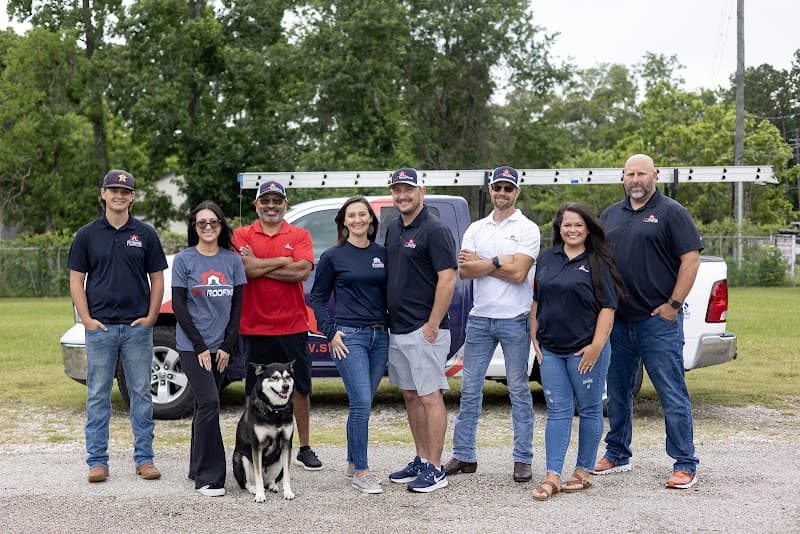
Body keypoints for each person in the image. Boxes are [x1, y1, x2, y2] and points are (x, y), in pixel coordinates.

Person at [594, 153, 703, 490]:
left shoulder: (672, 212)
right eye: (630, 174)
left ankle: (685, 463)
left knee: (671, 392)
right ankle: (617, 453)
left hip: (658, 321)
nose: (636, 180)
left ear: (655, 175)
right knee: (618, 392)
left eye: (642, 173)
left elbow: (691, 259)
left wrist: (673, 305)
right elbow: (597, 262)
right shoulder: (610, 215)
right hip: (619, 322)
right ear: (622, 178)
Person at [68, 169, 168, 483]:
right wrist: (86, 319)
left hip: (138, 328)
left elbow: (157, 278)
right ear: (103, 194)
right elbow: (75, 279)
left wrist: (152, 316)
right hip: (101, 329)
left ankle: (145, 459)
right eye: (114, 191)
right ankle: (97, 462)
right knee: (98, 395)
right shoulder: (87, 235)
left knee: (141, 393)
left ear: (132, 197)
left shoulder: (146, 234)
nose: (119, 196)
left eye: (125, 192)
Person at [445, 166, 539, 483]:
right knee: (469, 391)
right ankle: (464, 455)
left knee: (518, 389)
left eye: (508, 188)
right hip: (479, 318)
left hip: (515, 318)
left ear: (517, 193)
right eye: (497, 187)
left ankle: (522, 459)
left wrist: (487, 263)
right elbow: (467, 272)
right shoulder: (476, 228)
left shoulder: (528, 228)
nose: (502, 193)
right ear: (490, 190)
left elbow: (519, 274)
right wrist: (501, 260)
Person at [529, 202, 625, 501]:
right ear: (559, 228)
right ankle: (552, 475)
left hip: (585, 350)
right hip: (551, 349)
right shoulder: (547, 259)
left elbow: (608, 308)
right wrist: (533, 333)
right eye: (566, 224)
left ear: (587, 229)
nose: (571, 229)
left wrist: (596, 346)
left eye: (578, 225)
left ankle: (582, 471)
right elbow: (537, 299)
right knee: (557, 410)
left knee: (590, 409)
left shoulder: (598, 261)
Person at [232, 180, 322, 471]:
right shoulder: (242, 234)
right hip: (254, 325)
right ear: (257, 204)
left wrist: (260, 264)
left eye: (277, 201)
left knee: (298, 389)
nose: (271, 206)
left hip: (292, 325)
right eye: (265, 200)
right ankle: (250, 443)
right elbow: (243, 270)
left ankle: (304, 447)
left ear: (285, 204)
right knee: (252, 389)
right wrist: (282, 260)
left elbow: (302, 270)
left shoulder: (299, 233)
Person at [384, 167, 458, 493]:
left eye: (408, 190)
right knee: (411, 396)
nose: (403, 196)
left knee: (430, 397)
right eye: (397, 190)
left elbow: (448, 278)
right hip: (398, 329)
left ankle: (436, 468)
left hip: (425, 330)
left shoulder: (435, 229)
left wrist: (432, 323)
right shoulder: (392, 228)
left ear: (421, 192)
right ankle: (421, 458)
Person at [309, 196, 389, 494]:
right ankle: (363, 471)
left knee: (363, 403)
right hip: (348, 337)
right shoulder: (333, 256)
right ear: (344, 221)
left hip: (380, 336)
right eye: (351, 215)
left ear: (371, 219)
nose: (358, 220)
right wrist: (330, 332)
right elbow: (317, 298)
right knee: (360, 402)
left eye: (363, 215)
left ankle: (353, 464)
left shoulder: (382, 253)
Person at [172, 201, 246, 497]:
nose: (207, 227)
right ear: (194, 227)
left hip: (222, 348)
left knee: (205, 406)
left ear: (220, 225)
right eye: (201, 222)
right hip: (192, 347)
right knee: (211, 403)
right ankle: (209, 476)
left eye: (212, 222)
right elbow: (179, 306)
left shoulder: (232, 261)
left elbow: (237, 308)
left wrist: (227, 347)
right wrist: (201, 346)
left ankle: (195, 466)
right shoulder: (184, 260)